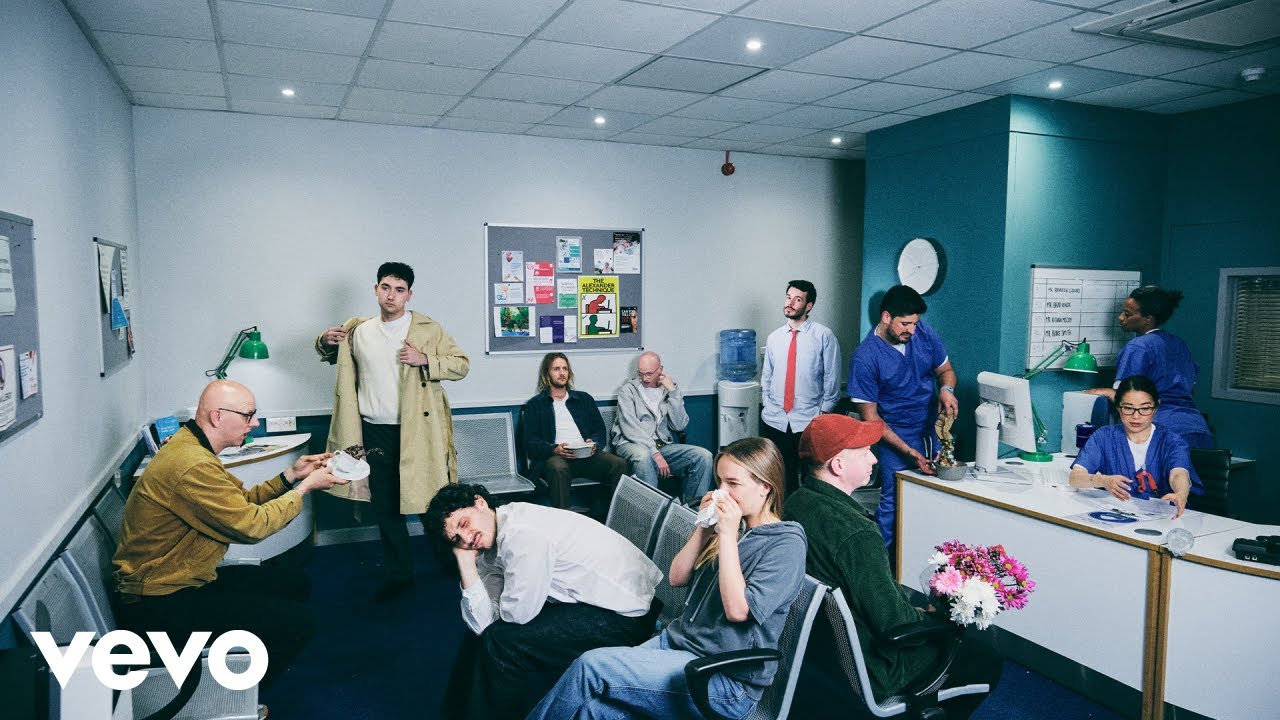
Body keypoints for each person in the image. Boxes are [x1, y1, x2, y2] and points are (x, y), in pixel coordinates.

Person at [527, 438, 808, 720]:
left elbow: (737, 611)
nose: (721, 493)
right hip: (677, 645)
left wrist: (726, 535)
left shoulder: (786, 543)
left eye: (733, 484)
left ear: (765, 487)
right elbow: (676, 577)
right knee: (594, 710)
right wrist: (703, 528)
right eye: (719, 482)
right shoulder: (735, 527)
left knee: (591, 666)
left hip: (722, 679)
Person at [112, 380, 347, 689]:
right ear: (218, 416)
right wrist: (305, 488)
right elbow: (252, 526)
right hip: (158, 603)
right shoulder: (191, 464)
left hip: (181, 581)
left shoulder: (191, 448)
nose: (255, 423)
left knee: (293, 583)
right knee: (299, 623)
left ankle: (241, 674)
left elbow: (242, 502)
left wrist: (292, 475)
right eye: (248, 415)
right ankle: (233, 695)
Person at [785, 414, 1002, 719]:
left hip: (822, 654)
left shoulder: (796, 503)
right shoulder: (856, 534)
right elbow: (894, 624)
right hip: (876, 666)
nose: (874, 459)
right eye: (864, 452)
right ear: (838, 465)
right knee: (985, 656)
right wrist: (933, 616)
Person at [427, 483, 661, 720]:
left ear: (480, 502)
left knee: (501, 643)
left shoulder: (521, 534)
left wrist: (496, 608)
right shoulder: (493, 536)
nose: (467, 538)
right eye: (456, 539)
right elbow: (481, 624)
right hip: (592, 601)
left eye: (464, 523)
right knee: (484, 637)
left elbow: (517, 615)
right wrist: (465, 561)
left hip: (626, 618)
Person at [316, 261, 470, 602]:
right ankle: (400, 575)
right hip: (374, 432)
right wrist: (324, 340)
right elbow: (331, 353)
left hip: (417, 432)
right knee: (386, 508)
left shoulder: (428, 328)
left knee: (430, 503)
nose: (391, 295)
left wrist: (425, 358)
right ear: (376, 290)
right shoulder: (358, 331)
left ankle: (451, 563)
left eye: (399, 290)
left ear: (408, 295)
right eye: (385, 287)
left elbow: (461, 364)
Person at [848, 285, 957, 548]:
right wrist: (909, 452)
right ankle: (885, 566)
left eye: (915, 323)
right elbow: (871, 419)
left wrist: (947, 390)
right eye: (905, 324)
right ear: (886, 317)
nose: (912, 330)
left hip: (931, 428)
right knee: (894, 502)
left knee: (938, 497)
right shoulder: (865, 358)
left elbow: (946, 371)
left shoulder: (923, 333)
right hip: (894, 435)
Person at [1083, 285, 1214, 449]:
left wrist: (1104, 391)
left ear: (1148, 319)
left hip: (1163, 431)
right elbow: (1189, 389)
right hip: (1198, 429)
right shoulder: (1178, 343)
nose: (1120, 317)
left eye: (1127, 314)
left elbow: (1126, 399)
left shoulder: (1137, 347)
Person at [1070, 375, 1203, 518]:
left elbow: (1178, 473)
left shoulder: (1172, 441)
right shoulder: (1104, 436)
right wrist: (1103, 481)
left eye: (1145, 409)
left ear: (1156, 407)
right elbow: (1075, 477)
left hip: (1166, 518)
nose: (1136, 416)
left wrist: (1181, 493)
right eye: (1128, 408)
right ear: (1118, 407)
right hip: (1121, 515)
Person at [521, 352, 627, 515]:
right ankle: (563, 520)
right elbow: (530, 442)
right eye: (556, 369)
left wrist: (595, 443)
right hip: (555, 457)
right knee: (558, 468)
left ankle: (618, 518)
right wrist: (554, 449)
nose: (562, 373)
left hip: (586, 455)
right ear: (547, 374)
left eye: (565, 369)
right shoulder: (536, 405)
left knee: (619, 464)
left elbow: (599, 429)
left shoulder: (584, 399)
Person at [760, 280, 841, 493]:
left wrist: (823, 413)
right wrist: (767, 403)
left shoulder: (823, 336)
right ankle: (784, 513)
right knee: (780, 477)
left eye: (797, 299)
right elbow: (767, 375)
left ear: (809, 305)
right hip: (776, 419)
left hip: (809, 420)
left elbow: (832, 377)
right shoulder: (774, 338)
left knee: (812, 478)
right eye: (788, 297)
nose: (790, 303)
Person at [611, 351, 714, 503]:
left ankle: (694, 511)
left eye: (649, 374)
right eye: (641, 373)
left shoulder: (668, 390)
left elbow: (679, 425)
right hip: (631, 443)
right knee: (644, 457)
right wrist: (655, 454)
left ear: (660, 369)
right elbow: (630, 429)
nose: (644, 378)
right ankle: (649, 514)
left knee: (703, 456)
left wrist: (673, 392)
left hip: (662, 446)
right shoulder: (628, 390)